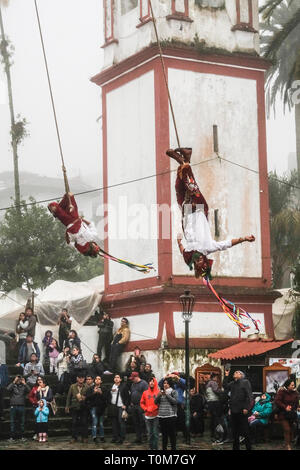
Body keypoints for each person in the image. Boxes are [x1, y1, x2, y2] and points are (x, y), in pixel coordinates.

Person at [166, 148, 255, 279]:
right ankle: (182, 161)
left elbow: (181, 250)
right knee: (190, 187)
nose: (198, 261)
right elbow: (227, 244)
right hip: (200, 209)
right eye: (201, 262)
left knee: (179, 188)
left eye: (197, 263)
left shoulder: (189, 256)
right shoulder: (209, 247)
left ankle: (186, 158)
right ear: (205, 260)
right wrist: (244, 239)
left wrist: (179, 241)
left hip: (187, 214)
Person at [48, 192, 101, 257]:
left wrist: (67, 233)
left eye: (95, 246)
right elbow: (91, 224)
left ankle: (56, 210)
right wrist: (81, 219)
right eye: (96, 245)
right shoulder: (93, 236)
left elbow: (69, 243)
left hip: (70, 224)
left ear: (92, 248)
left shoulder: (81, 247)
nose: (95, 245)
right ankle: (57, 210)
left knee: (54, 206)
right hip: (75, 219)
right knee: (69, 196)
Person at [223, 369, 253, 451]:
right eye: (235, 372)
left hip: (242, 410)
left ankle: (248, 448)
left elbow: (249, 396)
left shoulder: (245, 382)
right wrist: (226, 375)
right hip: (234, 410)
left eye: (238, 372)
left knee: (245, 431)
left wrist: (247, 407)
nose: (235, 373)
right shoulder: (233, 383)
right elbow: (225, 386)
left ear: (241, 375)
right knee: (235, 432)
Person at [159, 372, 186, 438]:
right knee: (173, 421)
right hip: (170, 405)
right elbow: (160, 384)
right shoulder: (169, 385)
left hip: (179, 404)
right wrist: (165, 377)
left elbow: (185, 383)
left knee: (182, 420)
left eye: (174, 377)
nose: (173, 379)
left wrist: (178, 378)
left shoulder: (181, 385)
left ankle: (185, 435)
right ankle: (173, 433)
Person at [275, 378, 300, 450]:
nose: (293, 386)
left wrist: (298, 407)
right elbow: (277, 401)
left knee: (291, 429)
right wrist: (285, 407)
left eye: (294, 385)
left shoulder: (295, 393)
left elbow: (297, 401)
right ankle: (287, 445)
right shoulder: (282, 392)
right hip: (283, 413)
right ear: (287, 386)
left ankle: (286, 442)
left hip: (291, 414)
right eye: (292, 385)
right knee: (287, 429)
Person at [155, 377, 178, 451]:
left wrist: (166, 395)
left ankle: (173, 448)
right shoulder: (160, 392)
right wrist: (159, 395)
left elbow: (175, 402)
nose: (166, 384)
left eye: (167, 383)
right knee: (164, 434)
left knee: (172, 434)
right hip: (162, 415)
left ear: (170, 384)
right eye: (164, 383)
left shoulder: (173, 391)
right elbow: (155, 402)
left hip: (171, 416)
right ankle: (164, 448)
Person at [65, 373, 89, 443]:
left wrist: (85, 398)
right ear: (77, 378)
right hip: (74, 406)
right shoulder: (72, 386)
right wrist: (67, 406)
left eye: (82, 377)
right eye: (79, 377)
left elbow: (89, 397)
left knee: (84, 422)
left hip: (84, 407)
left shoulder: (87, 387)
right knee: (74, 422)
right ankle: (74, 437)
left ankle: (84, 437)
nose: (81, 379)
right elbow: (68, 397)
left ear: (84, 379)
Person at [86, 375, 109, 443]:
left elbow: (106, 398)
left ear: (101, 381)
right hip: (93, 407)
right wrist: (94, 393)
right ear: (94, 380)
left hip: (101, 408)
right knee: (94, 422)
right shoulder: (90, 389)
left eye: (99, 379)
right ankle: (94, 437)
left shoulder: (104, 389)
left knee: (101, 423)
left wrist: (101, 393)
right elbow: (87, 398)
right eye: (96, 379)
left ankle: (102, 437)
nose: (97, 380)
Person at [7, 375, 30, 442]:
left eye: (20, 379)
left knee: (22, 422)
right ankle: (12, 437)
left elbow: (29, 390)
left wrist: (24, 383)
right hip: (13, 406)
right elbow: (8, 389)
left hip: (21, 406)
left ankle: (22, 436)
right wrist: (14, 381)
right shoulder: (13, 385)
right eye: (18, 379)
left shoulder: (23, 386)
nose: (19, 380)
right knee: (12, 422)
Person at [109, 374, 130, 444]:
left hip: (121, 406)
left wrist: (125, 405)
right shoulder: (112, 386)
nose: (116, 378)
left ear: (120, 379)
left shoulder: (123, 386)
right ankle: (115, 437)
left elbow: (127, 397)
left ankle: (122, 438)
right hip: (113, 407)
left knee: (121, 422)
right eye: (115, 377)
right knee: (114, 423)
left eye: (118, 377)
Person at [140, 377, 160, 450]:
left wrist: (156, 407)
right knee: (150, 433)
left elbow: (160, 403)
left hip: (156, 415)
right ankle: (151, 447)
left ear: (155, 383)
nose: (151, 383)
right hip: (147, 416)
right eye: (150, 381)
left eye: (153, 381)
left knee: (155, 433)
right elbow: (142, 403)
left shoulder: (158, 392)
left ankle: (156, 448)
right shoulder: (145, 392)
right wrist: (146, 408)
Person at [129, 372, 148, 444]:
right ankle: (138, 437)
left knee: (142, 422)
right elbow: (132, 393)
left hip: (141, 406)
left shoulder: (144, 383)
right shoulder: (133, 384)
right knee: (136, 422)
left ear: (137, 377)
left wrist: (144, 405)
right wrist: (131, 401)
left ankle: (144, 436)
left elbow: (146, 394)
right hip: (134, 405)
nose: (132, 380)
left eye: (133, 378)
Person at [205, 372, 224, 441]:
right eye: (216, 377)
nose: (217, 379)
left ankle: (212, 433)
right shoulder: (213, 383)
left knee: (212, 419)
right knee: (216, 419)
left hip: (210, 402)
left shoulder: (207, 384)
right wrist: (222, 392)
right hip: (215, 402)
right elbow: (216, 390)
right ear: (214, 377)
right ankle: (217, 434)